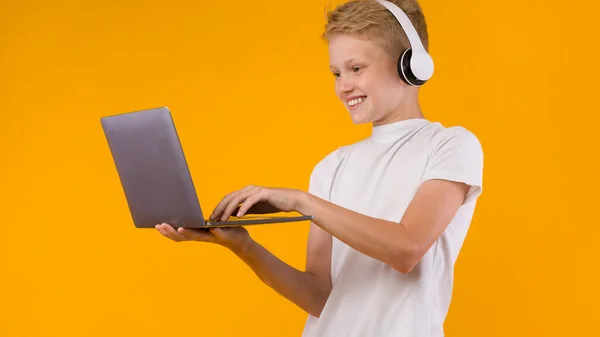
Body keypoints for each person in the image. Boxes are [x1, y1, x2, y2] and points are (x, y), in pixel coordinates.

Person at [155, 0, 484, 336]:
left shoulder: (451, 146)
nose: (344, 86)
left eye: (357, 69)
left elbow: (406, 249)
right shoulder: (332, 166)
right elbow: (319, 297)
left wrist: (303, 202)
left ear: (410, 65)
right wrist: (244, 246)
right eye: (336, 73)